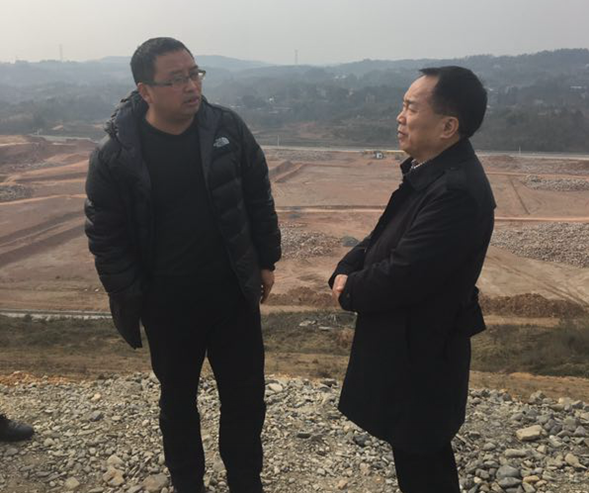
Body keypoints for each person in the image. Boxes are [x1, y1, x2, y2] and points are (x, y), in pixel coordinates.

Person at [85, 37, 281, 493]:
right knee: (177, 401)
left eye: (195, 74)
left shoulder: (227, 128)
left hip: (232, 293)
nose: (191, 86)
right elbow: (105, 235)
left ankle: (245, 481)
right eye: (176, 79)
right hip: (167, 302)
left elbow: (258, 194)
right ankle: (187, 482)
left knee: (245, 399)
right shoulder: (116, 153)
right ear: (145, 91)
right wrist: (133, 294)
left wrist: (266, 260)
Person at [329, 66, 495, 493]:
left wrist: (350, 290)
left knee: (424, 461)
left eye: (410, 108)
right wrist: (346, 266)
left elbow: (406, 273)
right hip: (411, 348)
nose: (400, 117)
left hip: (423, 354)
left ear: (447, 126)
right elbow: (382, 234)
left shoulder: (455, 191)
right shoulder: (430, 173)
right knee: (417, 454)